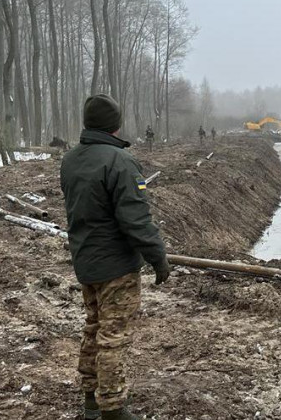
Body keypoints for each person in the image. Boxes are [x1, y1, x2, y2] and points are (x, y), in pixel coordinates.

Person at [61, 94, 171, 420]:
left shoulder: (70, 160)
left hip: (86, 262)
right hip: (116, 267)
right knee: (113, 336)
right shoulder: (120, 162)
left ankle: (91, 402)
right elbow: (135, 220)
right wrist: (158, 258)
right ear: (115, 124)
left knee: (93, 327)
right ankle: (113, 409)